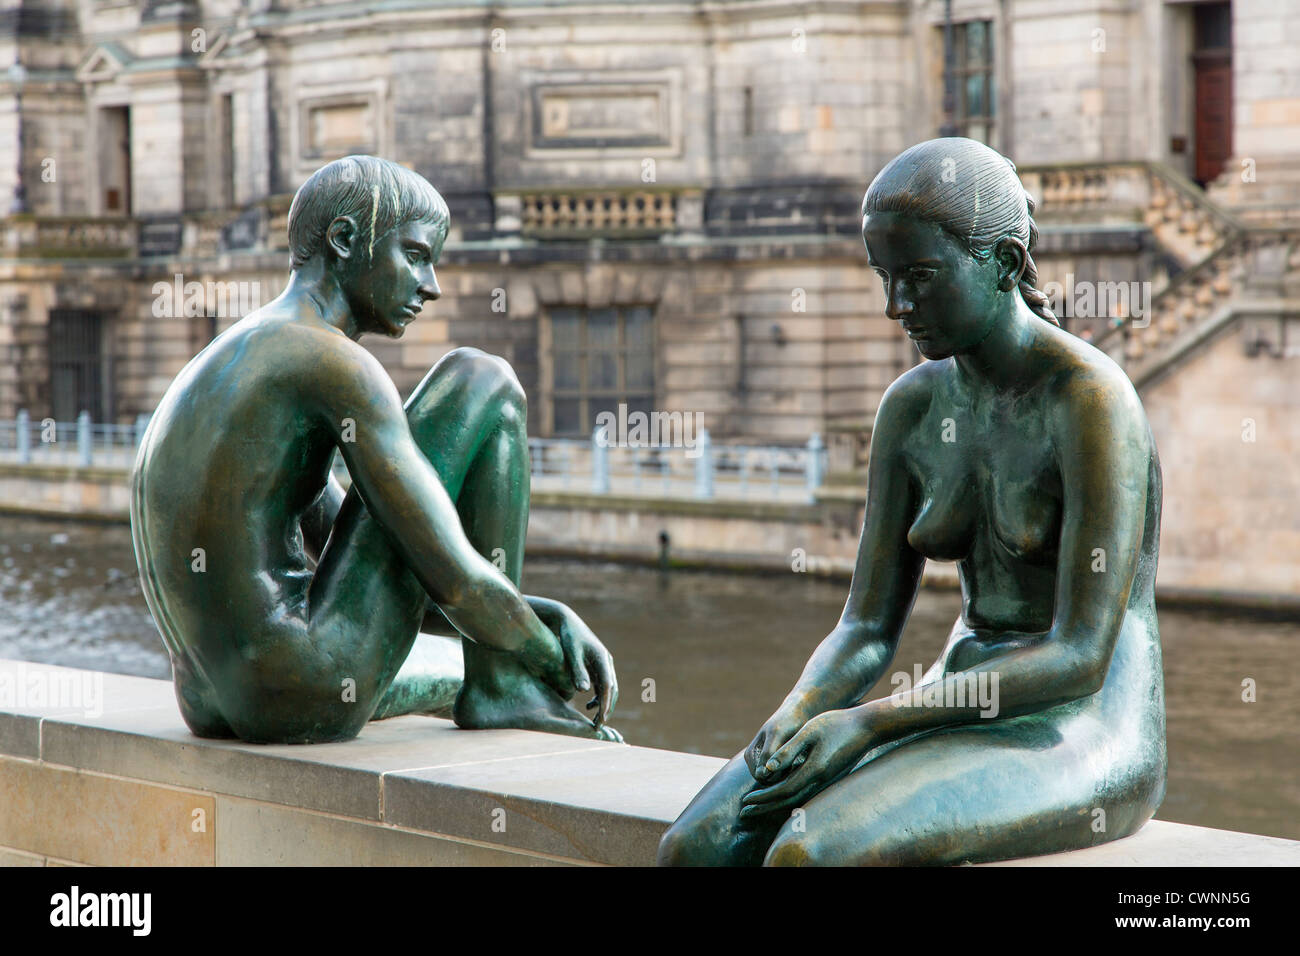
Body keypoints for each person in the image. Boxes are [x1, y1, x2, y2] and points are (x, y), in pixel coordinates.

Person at [658, 137, 1164, 865]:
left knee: (810, 856)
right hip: (958, 690)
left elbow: (1080, 655)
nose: (897, 306)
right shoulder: (912, 407)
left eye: (920, 276)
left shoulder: (1089, 401)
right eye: (886, 277)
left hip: (1080, 719)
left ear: (1005, 263)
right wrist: (800, 711)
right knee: (694, 848)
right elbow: (866, 626)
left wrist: (868, 725)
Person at [130, 155, 620, 745]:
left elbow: (392, 559)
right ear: (344, 239)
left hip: (212, 699)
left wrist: (542, 615)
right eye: (414, 255)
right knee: (482, 379)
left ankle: (494, 679)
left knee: (449, 660)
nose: (431, 286)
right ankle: (502, 688)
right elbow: (456, 580)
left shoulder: (237, 354)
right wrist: (546, 658)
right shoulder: (335, 363)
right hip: (306, 688)